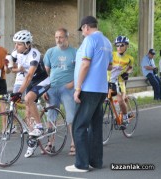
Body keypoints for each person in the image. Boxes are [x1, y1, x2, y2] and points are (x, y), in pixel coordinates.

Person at [65, 16, 112, 172]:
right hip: (101, 89)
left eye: (82, 30)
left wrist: (77, 88)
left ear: (86, 27)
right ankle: (95, 161)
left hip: (88, 89)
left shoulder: (89, 40)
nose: (83, 34)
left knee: (79, 125)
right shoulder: (107, 42)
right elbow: (109, 65)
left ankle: (81, 164)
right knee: (95, 126)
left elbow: (85, 64)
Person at [10, 30, 50, 158]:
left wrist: (19, 93)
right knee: (27, 114)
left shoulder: (34, 54)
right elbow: (9, 69)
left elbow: (28, 76)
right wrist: (11, 65)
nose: (16, 46)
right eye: (15, 44)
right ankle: (33, 142)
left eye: (19, 44)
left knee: (28, 99)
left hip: (42, 80)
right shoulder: (16, 53)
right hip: (31, 82)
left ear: (27, 44)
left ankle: (40, 126)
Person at [43, 28, 77, 156]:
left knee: (71, 117)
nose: (58, 40)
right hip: (52, 88)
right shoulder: (50, 52)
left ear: (67, 38)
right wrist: (44, 89)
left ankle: (74, 143)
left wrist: (73, 84)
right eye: (56, 37)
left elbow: (80, 71)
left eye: (61, 37)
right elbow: (45, 72)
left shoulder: (75, 52)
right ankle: (50, 143)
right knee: (51, 117)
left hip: (68, 88)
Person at [108, 36, 134, 125]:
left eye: (121, 45)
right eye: (117, 45)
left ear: (126, 46)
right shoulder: (111, 55)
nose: (119, 47)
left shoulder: (129, 58)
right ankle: (116, 115)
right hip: (108, 80)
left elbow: (130, 68)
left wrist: (127, 73)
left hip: (119, 81)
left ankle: (125, 117)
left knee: (119, 100)